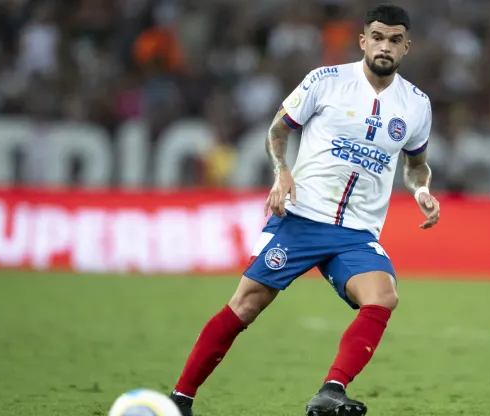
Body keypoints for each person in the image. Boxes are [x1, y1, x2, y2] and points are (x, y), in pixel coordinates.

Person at [169, 4, 440, 416]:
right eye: (378, 37)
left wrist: (421, 191)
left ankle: (331, 391)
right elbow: (278, 130)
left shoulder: (417, 105)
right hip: (302, 218)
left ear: (407, 47)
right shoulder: (325, 81)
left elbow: (416, 166)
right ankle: (180, 399)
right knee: (245, 305)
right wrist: (281, 173)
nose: (386, 46)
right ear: (363, 40)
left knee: (383, 296)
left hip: (357, 232)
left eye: (395, 39)